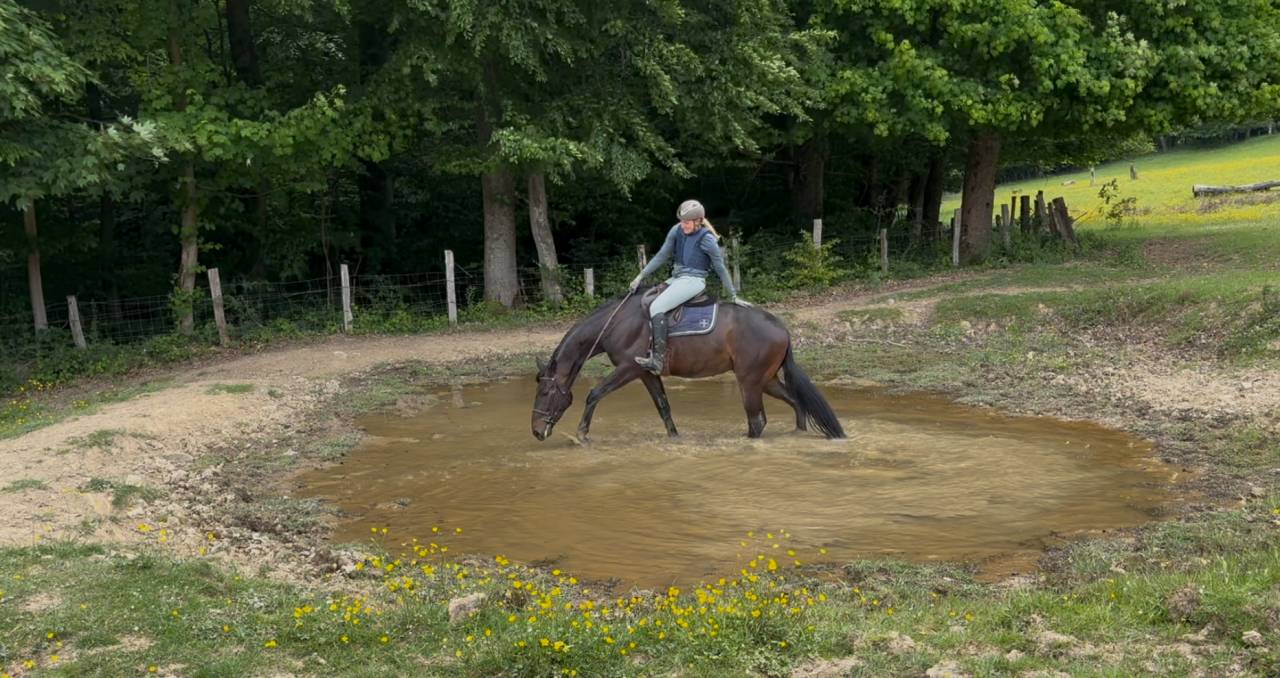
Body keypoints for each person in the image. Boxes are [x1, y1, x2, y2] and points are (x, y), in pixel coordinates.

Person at [629, 199, 748, 373]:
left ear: (698, 221)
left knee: (657, 307)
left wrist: (733, 295)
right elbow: (661, 256)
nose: (683, 225)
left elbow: (721, 268)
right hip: (677, 278)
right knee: (647, 300)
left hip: (693, 281)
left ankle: (658, 360)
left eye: (686, 222)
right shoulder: (676, 230)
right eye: (681, 221)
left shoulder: (707, 240)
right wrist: (640, 276)